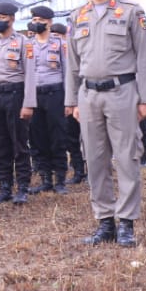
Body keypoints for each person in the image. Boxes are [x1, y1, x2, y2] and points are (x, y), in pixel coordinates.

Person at [65, 0, 146, 248]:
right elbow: (72, 64)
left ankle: (127, 224)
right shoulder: (77, 16)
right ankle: (105, 222)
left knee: (128, 158)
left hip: (123, 93)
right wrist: (72, 100)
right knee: (94, 159)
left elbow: (145, 57)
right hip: (88, 95)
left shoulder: (132, 12)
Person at [0, 1, 37, 206]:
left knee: (19, 144)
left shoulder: (23, 42)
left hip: (16, 95)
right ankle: (5, 187)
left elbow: (31, 75)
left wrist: (28, 104)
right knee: (0, 144)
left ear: (12, 19)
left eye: (2, 18)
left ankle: (22, 187)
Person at [27, 5, 69, 195]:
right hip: (35, 96)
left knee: (58, 137)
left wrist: (70, 100)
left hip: (55, 95)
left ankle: (60, 179)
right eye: (34, 20)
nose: (36, 24)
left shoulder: (60, 44)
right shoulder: (27, 45)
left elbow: (68, 72)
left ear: (49, 22)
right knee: (38, 138)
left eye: (40, 21)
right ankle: (45, 179)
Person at [50, 22, 86, 184]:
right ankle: (74, 171)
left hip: (79, 99)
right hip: (62, 100)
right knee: (66, 138)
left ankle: (86, 172)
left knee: (82, 139)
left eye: (58, 36)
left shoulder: (75, 50)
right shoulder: (54, 50)